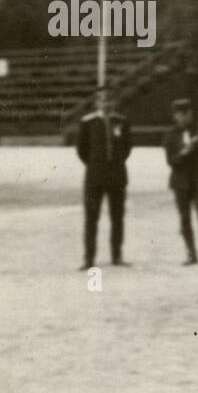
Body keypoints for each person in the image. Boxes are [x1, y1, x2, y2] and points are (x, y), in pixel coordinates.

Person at [77, 86, 132, 269]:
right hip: (95, 177)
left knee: (117, 217)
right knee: (91, 218)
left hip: (117, 175)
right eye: (102, 100)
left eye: (109, 99)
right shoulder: (88, 122)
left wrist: (114, 163)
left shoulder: (121, 121)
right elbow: (82, 150)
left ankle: (117, 256)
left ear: (114, 102)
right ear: (96, 103)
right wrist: (96, 164)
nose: (106, 103)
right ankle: (89, 259)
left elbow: (127, 147)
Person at [163, 97, 198, 265]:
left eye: (187, 113)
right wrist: (186, 151)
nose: (184, 117)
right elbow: (171, 161)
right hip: (181, 183)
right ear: (175, 116)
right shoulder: (170, 136)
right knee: (185, 218)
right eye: (181, 114)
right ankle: (191, 254)